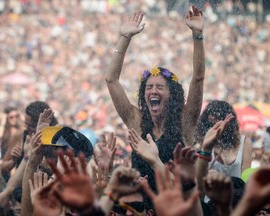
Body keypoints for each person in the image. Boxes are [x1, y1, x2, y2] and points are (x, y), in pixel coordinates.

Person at [105, 6, 205, 194]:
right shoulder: (136, 121)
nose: (153, 91)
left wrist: (197, 35)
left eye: (160, 87)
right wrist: (124, 38)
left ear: (172, 95)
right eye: (149, 87)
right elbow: (111, 80)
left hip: (177, 206)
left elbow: (198, 78)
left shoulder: (185, 121)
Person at [195, 100, 252, 178]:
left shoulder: (245, 142)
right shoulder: (204, 142)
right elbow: (198, 176)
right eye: (211, 123)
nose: (216, 126)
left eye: (218, 120)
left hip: (237, 189)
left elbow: (246, 178)